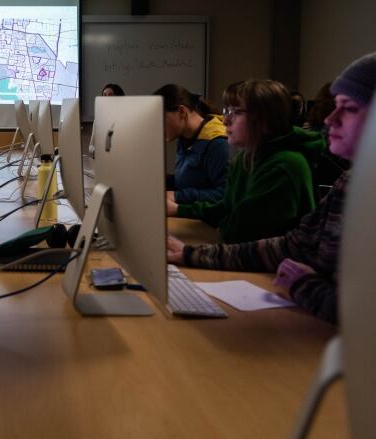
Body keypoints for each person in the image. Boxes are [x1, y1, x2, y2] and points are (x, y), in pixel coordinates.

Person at [168, 52, 376, 324]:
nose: (329, 120)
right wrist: (189, 253)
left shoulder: (286, 165)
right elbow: (291, 246)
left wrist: (305, 284)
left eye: (348, 108)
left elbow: (361, 315)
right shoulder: (350, 182)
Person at [167, 79, 324, 243]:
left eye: (237, 112)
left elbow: (238, 232)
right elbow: (227, 208)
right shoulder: (245, 157)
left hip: (274, 264)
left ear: (265, 118)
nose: (225, 120)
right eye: (227, 111)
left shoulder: (285, 166)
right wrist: (179, 209)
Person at [154, 84, 230, 204]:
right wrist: (158, 182)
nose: (157, 127)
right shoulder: (184, 138)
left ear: (182, 112)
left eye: (161, 118)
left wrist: (178, 196)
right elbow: (189, 181)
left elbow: (224, 195)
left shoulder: (217, 144)